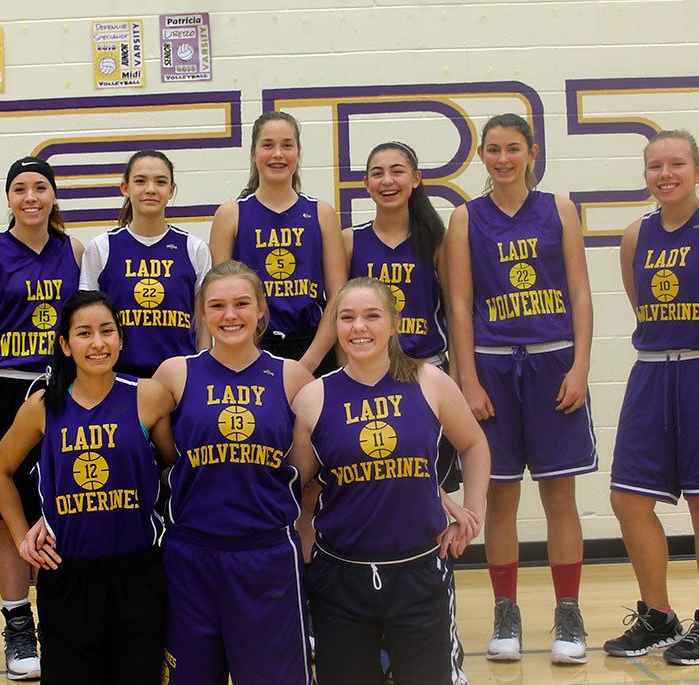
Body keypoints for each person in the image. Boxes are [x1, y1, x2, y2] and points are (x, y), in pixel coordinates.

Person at [290, 277, 488, 685]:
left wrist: (472, 512)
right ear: (335, 327)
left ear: (393, 324)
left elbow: (475, 445)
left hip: (418, 568)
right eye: (347, 318)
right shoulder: (313, 399)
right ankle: (379, 657)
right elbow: (305, 486)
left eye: (371, 316)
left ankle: (418, 656)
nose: (359, 327)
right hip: (342, 575)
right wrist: (305, 553)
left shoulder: (430, 381)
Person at [604, 131, 699, 665]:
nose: (665, 174)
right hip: (652, 372)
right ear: (645, 174)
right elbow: (640, 306)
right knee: (627, 498)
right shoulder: (635, 235)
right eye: (655, 166)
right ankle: (658, 615)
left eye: (676, 164)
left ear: (698, 169)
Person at [445, 113, 595, 664]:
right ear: (481, 156)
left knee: (560, 495)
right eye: (493, 150)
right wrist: (467, 379)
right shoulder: (465, 218)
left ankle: (568, 614)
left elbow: (580, 293)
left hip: (552, 362)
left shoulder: (559, 208)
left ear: (531, 152)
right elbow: (459, 304)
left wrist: (580, 366)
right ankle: (505, 612)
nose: (503, 158)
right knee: (499, 498)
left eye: (513, 148)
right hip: (492, 367)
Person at [0, 291, 173, 685]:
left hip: (137, 573)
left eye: (107, 331)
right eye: (84, 333)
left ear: (121, 339)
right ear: (66, 345)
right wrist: (21, 537)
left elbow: (173, 467)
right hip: (70, 575)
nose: (98, 343)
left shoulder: (149, 397)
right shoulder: (43, 406)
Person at [151, 261, 314, 685]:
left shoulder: (292, 377)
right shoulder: (175, 374)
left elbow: (305, 472)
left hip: (265, 551)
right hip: (193, 551)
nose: (230, 315)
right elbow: (156, 455)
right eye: (216, 305)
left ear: (262, 310)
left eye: (242, 303)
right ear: (201, 313)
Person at [0, 156, 83, 680]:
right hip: (6, 388)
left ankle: (66, 618)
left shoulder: (75, 250)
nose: (30, 197)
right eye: (19, 189)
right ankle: (16, 625)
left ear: (53, 195)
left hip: (62, 388)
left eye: (40, 188)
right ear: (8, 197)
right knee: (11, 513)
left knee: (69, 502)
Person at [342, 141, 459, 492]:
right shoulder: (349, 241)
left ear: (417, 179)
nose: (387, 180)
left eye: (397, 171)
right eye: (377, 173)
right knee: (374, 483)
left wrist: (460, 377)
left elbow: (456, 311)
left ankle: (435, 549)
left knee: (430, 488)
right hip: (369, 376)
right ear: (366, 183)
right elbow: (339, 316)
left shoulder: (438, 240)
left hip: (427, 371)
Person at [209, 111, 344, 374]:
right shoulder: (231, 214)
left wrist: (310, 362)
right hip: (252, 349)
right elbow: (219, 296)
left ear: (298, 152)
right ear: (253, 153)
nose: (278, 154)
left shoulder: (322, 213)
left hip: (312, 346)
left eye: (287, 145)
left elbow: (338, 296)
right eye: (268, 145)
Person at [79, 150, 211, 377]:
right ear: (125, 188)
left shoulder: (194, 248)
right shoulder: (102, 247)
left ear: (171, 191)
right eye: (140, 181)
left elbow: (204, 322)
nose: (150, 189)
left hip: (180, 379)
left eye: (160, 182)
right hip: (119, 377)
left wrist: (204, 371)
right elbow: (86, 319)